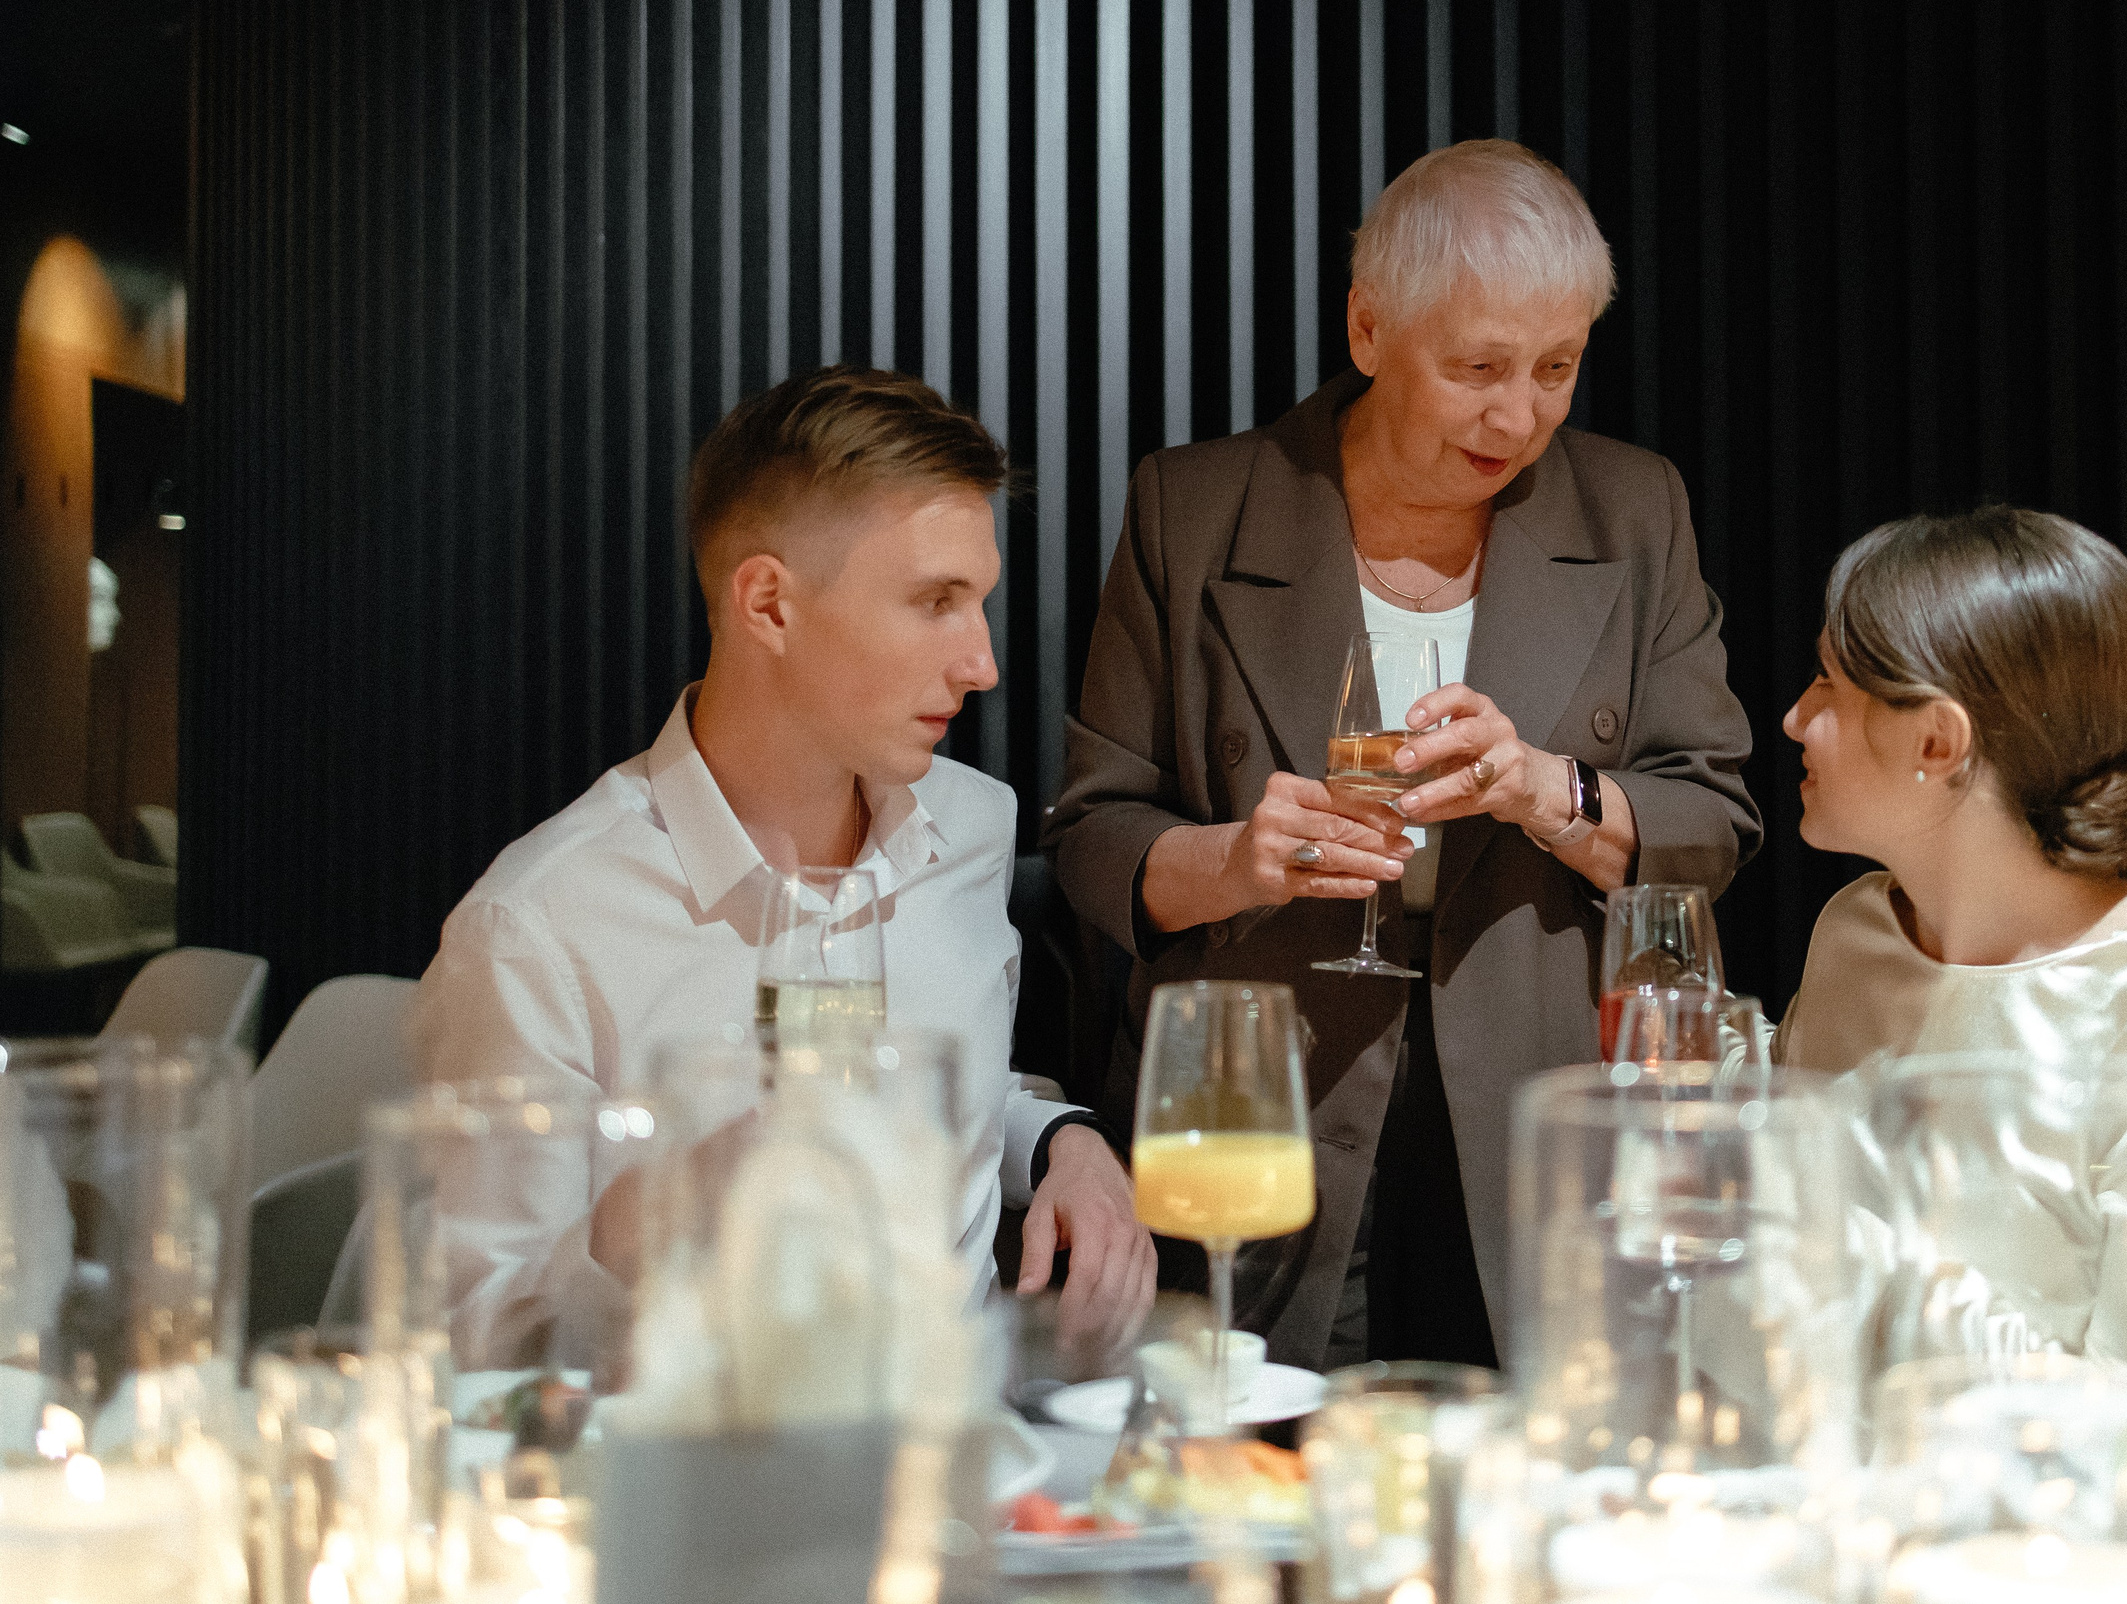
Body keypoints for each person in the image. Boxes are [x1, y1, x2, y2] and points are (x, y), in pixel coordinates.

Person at [1046, 140, 1760, 1370]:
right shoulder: (1197, 505)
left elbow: (1712, 823)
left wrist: (1547, 788)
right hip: (1268, 1104)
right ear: (1367, 328)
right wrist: (1237, 857)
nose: (1519, 413)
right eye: (1476, 366)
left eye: (1556, 367)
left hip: (1536, 1106)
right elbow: (1094, 837)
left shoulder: (1635, 511)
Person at [408, 367, 1155, 1372]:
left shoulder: (972, 829)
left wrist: (1061, 1137)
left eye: (976, 601)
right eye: (935, 601)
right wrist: (651, 1229)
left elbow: (961, 1061)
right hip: (694, 1496)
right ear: (767, 603)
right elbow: (478, 1353)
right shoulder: (536, 929)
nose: (980, 662)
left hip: (986, 1470)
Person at [1775, 506, 2127, 1361]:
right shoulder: (1857, 935)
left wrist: (1827, 1248)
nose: (1797, 718)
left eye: (1829, 683)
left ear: (1937, 740)